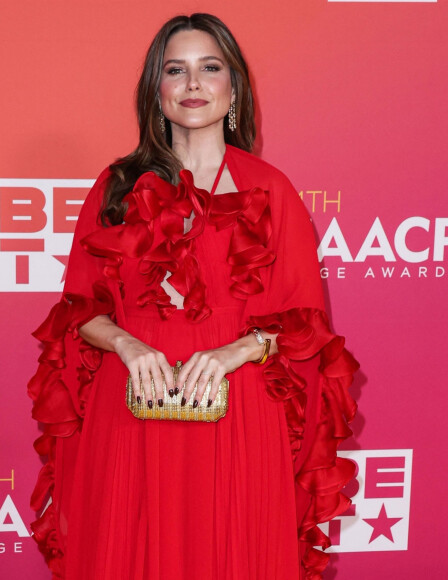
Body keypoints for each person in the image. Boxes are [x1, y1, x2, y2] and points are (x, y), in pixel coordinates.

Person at [28, 13, 358, 580]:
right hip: (133, 403)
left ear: (234, 89)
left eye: (210, 68)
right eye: (175, 70)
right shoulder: (115, 187)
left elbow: (305, 329)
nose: (194, 84)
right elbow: (80, 311)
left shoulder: (271, 190)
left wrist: (234, 352)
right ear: (157, 91)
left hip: (237, 408)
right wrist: (128, 345)